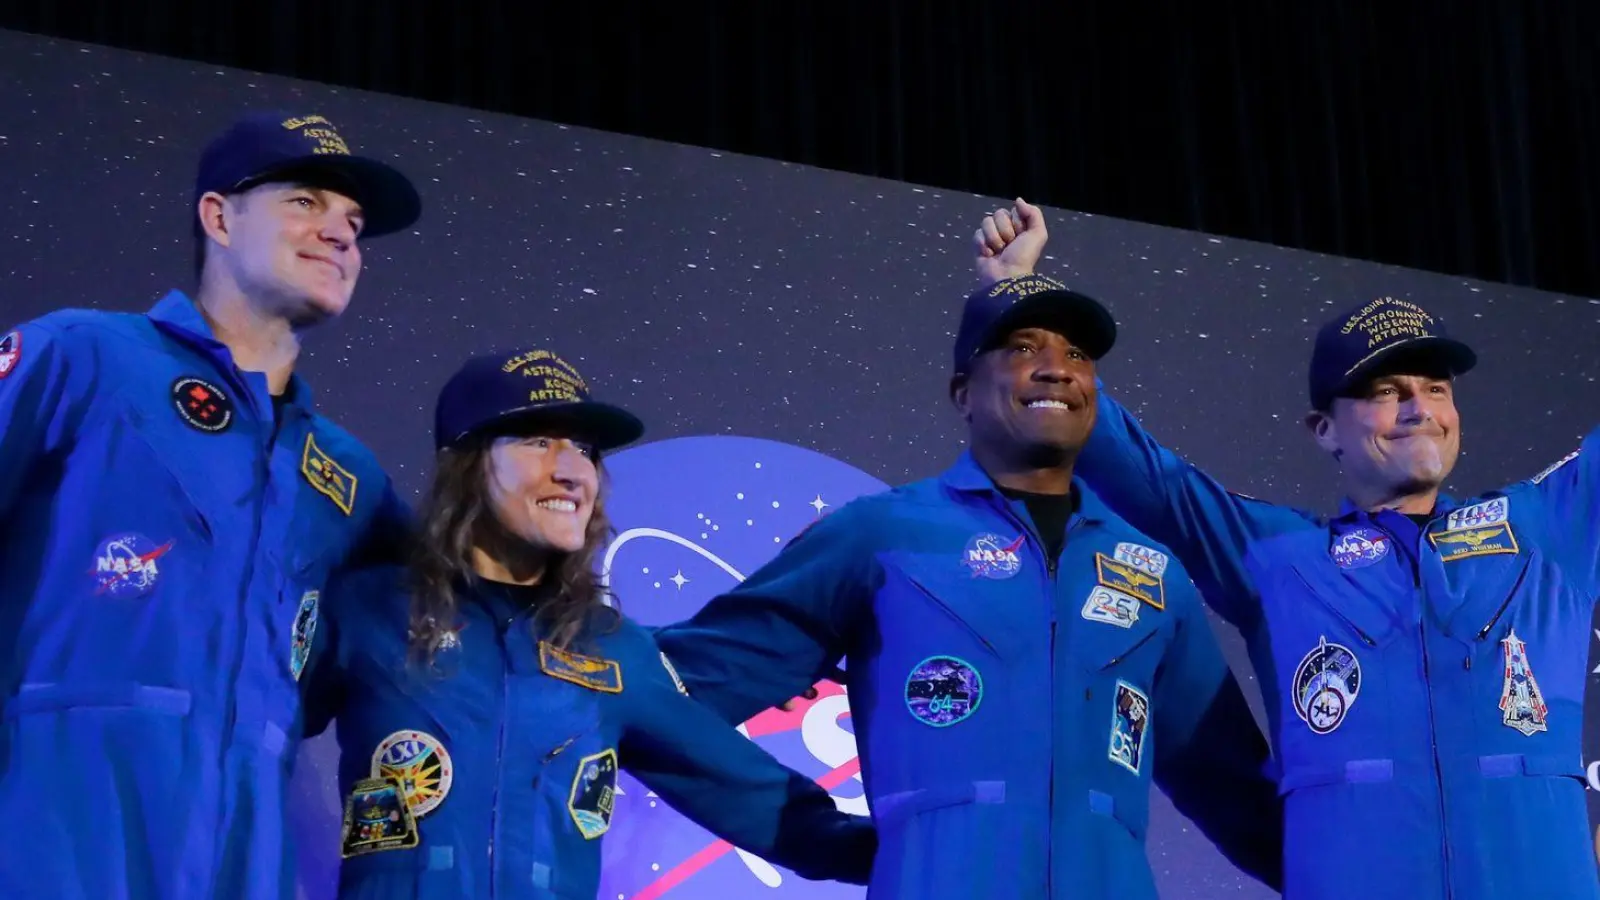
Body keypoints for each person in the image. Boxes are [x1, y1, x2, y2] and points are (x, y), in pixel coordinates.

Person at [976, 199, 1600, 900]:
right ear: (1324, 429)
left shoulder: (1544, 529)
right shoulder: (1278, 555)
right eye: (1387, 392)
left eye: (1435, 389)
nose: (1420, 408)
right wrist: (1018, 296)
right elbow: (1133, 466)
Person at [652, 265, 1284, 898]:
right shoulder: (882, 535)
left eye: (1078, 354)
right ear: (964, 393)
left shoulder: (1151, 574)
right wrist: (815, 835)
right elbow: (662, 698)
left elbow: (1234, 790)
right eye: (1021, 348)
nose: (1057, 367)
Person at [0, 111, 421, 900]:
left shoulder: (346, 472)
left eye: (354, 224)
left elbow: (476, 614)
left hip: (243, 845)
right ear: (218, 216)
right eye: (305, 202)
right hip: (56, 820)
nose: (340, 235)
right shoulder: (84, 355)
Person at [300, 348, 877, 899]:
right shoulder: (364, 611)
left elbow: (761, 802)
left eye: (583, 450)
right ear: (468, 461)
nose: (571, 470)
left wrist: (935, 852)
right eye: (539, 440)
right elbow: (237, 732)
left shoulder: (612, 652)